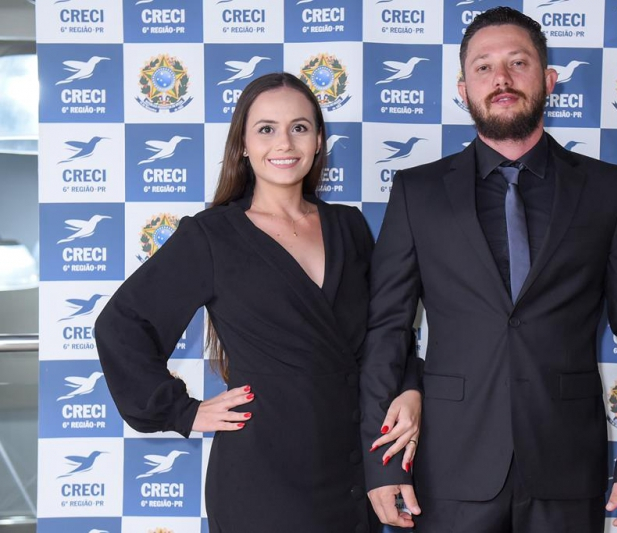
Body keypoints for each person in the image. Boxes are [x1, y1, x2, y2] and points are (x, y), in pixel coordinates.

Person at [360, 7, 617, 532]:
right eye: (483, 67)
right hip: (448, 467)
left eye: (518, 62)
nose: (501, 78)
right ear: (463, 89)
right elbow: (385, 333)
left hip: (567, 465)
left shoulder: (607, 189)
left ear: (548, 80)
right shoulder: (417, 192)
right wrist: (382, 464)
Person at [96, 72, 421, 533]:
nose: (284, 143)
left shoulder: (349, 226)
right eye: (266, 128)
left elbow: (383, 332)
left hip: (350, 469)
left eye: (299, 127)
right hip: (260, 477)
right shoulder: (211, 235)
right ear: (243, 145)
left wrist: (410, 387)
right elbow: (122, 324)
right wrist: (182, 411)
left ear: (318, 141)